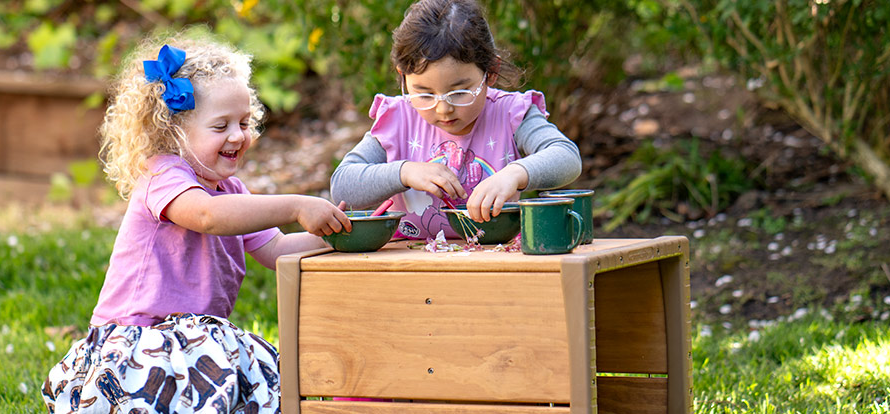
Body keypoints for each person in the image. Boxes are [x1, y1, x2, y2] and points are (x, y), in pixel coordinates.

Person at [42, 35, 351, 414]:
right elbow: (208, 216)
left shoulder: (232, 191)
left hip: (196, 342)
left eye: (244, 122)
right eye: (220, 126)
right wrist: (297, 206)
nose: (238, 136)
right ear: (173, 133)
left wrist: (343, 233)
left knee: (266, 387)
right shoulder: (163, 177)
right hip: (139, 345)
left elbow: (277, 250)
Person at [330, 0, 582, 241]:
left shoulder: (509, 113)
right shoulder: (399, 119)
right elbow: (342, 185)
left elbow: (566, 156)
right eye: (424, 93)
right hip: (409, 263)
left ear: (490, 72)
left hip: (497, 262)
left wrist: (515, 174)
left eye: (459, 92)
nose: (443, 109)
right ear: (403, 77)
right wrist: (404, 171)